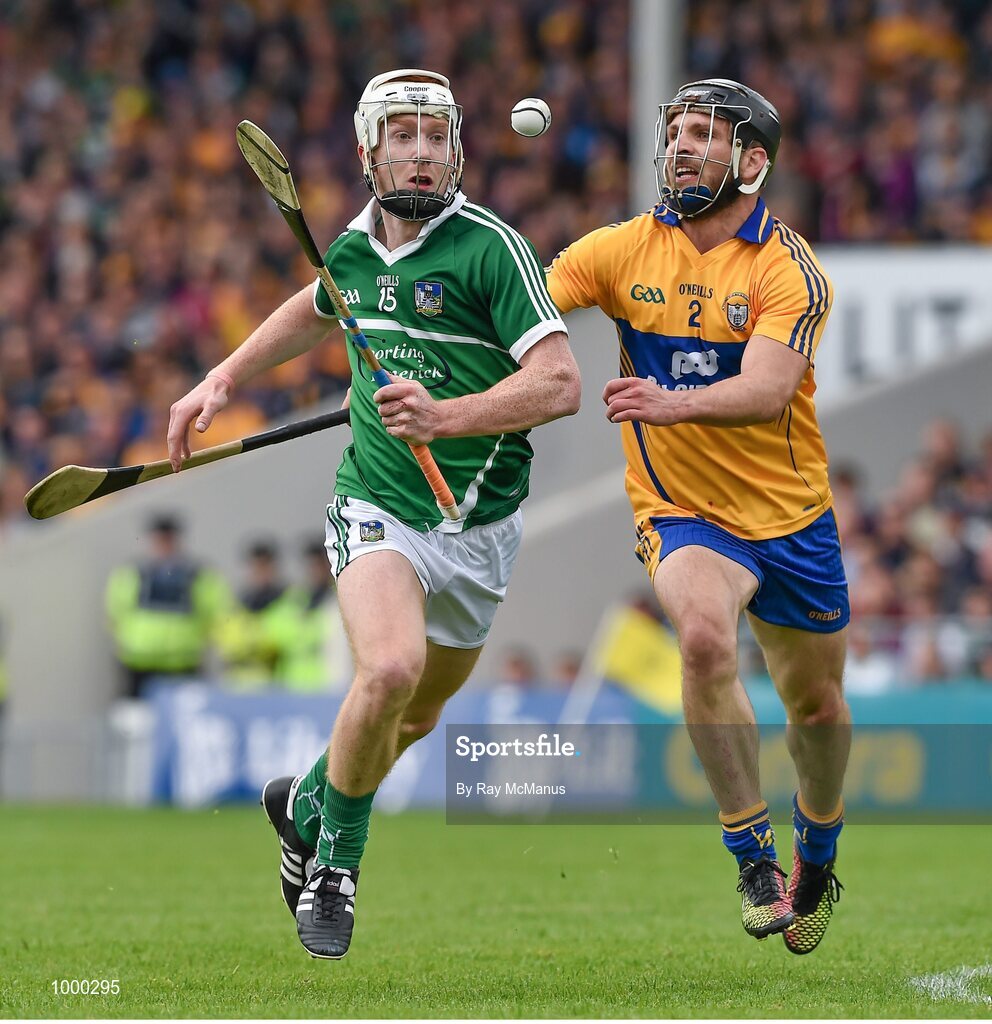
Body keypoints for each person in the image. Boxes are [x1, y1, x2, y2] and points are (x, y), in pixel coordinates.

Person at [166, 69, 579, 960]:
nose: (422, 155)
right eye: (404, 137)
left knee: (417, 713)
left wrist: (447, 416)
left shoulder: (489, 250)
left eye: (436, 139)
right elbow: (316, 311)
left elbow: (560, 383)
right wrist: (223, 378)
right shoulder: (349, 249)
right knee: (389, 668)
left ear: (456, 152)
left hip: (480, 525)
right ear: (370, 150)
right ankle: (335, 867)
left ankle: (305, 804)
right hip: (377, 502)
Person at [547, 78, 850, 955]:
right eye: (676, 132)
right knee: (707, 640)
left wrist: (670, 403)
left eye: (705, 136)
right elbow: (531, 302)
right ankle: (752, 853)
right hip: (681, 510)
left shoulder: (789, 271)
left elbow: (765, 392)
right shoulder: (621, 249)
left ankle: (818, 856)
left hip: (791, 517)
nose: (683, 146)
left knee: (818, 710)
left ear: (752, 163)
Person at [105, 514, 231, 698]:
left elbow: (215, 613)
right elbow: (115, 612)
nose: (164, 546)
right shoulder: (131, 573)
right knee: (134, 719)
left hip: (183, 662)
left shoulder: (199, 575)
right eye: (159, 540)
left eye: (168, 540)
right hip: (138, 661)